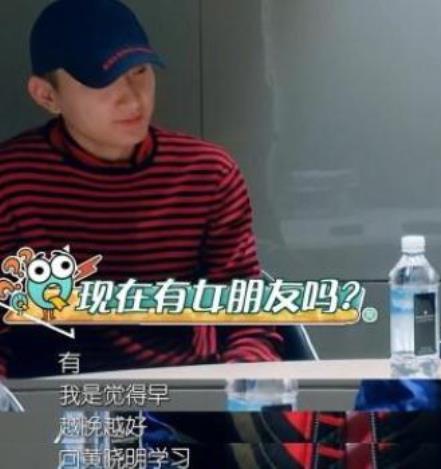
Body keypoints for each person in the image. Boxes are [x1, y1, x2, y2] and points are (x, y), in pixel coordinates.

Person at [0, 0, 282, 378]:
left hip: (187, 393)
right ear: (46, 95)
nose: (133, 99)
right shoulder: (11, 180)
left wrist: (243, 382)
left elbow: (248, 317)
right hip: (53, 396)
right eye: (101, 82)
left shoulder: (207, 174)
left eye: (139, 71)